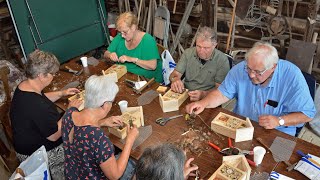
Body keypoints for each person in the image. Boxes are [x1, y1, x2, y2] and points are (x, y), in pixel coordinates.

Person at [186, 42, 316, 136]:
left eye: (258, 72)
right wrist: (202, 103)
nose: (251, 75)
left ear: (273, 67)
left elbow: (308, 114)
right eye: (249, 68)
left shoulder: (292, 76)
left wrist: (279, 120)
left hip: (278, 132)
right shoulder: (241, 68)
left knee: (274, 167)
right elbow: (221, 93)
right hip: (241, 126)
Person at [10, 49, 81, 179]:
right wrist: (70, 111)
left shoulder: (25, 85)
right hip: (38, 155)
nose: (53, 76)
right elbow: (54, 135)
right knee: (81, 139)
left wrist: (61, 93)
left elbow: (41, 97)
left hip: (26, 144)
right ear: (41, 76)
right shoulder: (37, 106)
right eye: (52, 74)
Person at [62, 75, 139, 179]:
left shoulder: (70, 113)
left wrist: (103, 122)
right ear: (105, 105)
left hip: (72, 173)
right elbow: (114, 175)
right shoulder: (99, 139)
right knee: (135, 163)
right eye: (112, 102)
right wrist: (130, 140)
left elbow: (81, 132)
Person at [170, 26, 230, 101]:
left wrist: (203, 94)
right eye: (198, 46)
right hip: (187, 95)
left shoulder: (222, 60)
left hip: (209, 98)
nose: (201, 51)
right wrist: (175, 80)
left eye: (206, 48)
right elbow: (174, 75)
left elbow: (220, 90)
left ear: (214, 45)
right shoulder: (188, 53)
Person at [104, 11, 163, 83]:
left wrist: (132, 59)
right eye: (120, 32)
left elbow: (153, 66)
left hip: (145, 80)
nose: (122, 35)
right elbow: (106, 53)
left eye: (125, 32)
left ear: (133, 27)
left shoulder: (147, 40)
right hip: (126, 76)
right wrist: (110, 55)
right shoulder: (120, 37)